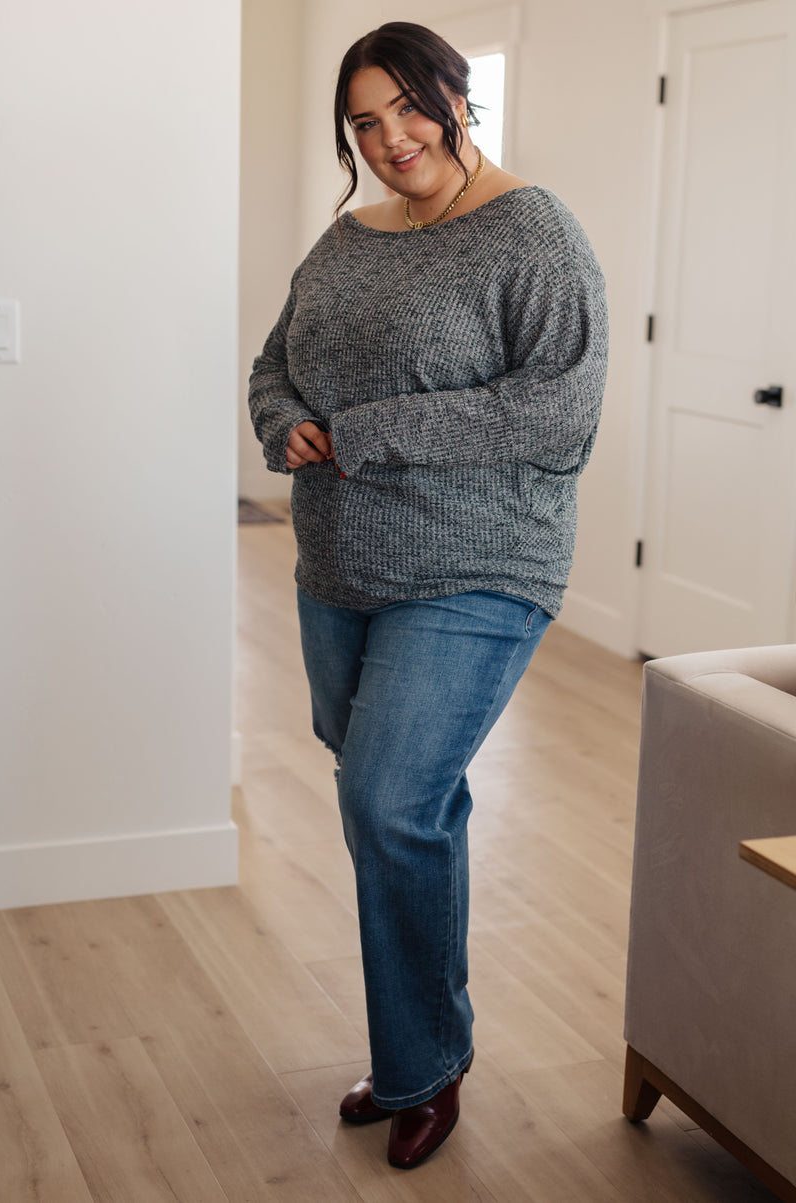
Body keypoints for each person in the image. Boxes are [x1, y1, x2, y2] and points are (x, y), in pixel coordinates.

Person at [248, 21, 608, 1171]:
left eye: (407, 106)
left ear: (454, 97)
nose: (389, 136)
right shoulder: (346, 239)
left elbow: (554, 410)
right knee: (398, 800)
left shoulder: (530, 231)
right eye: (363, 120)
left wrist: (363, 434)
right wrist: (282, 422)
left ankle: (421, 1061)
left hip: (478, 564)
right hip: (338, 567)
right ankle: (423, 1039)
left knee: (391, 798)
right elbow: (274, 363)